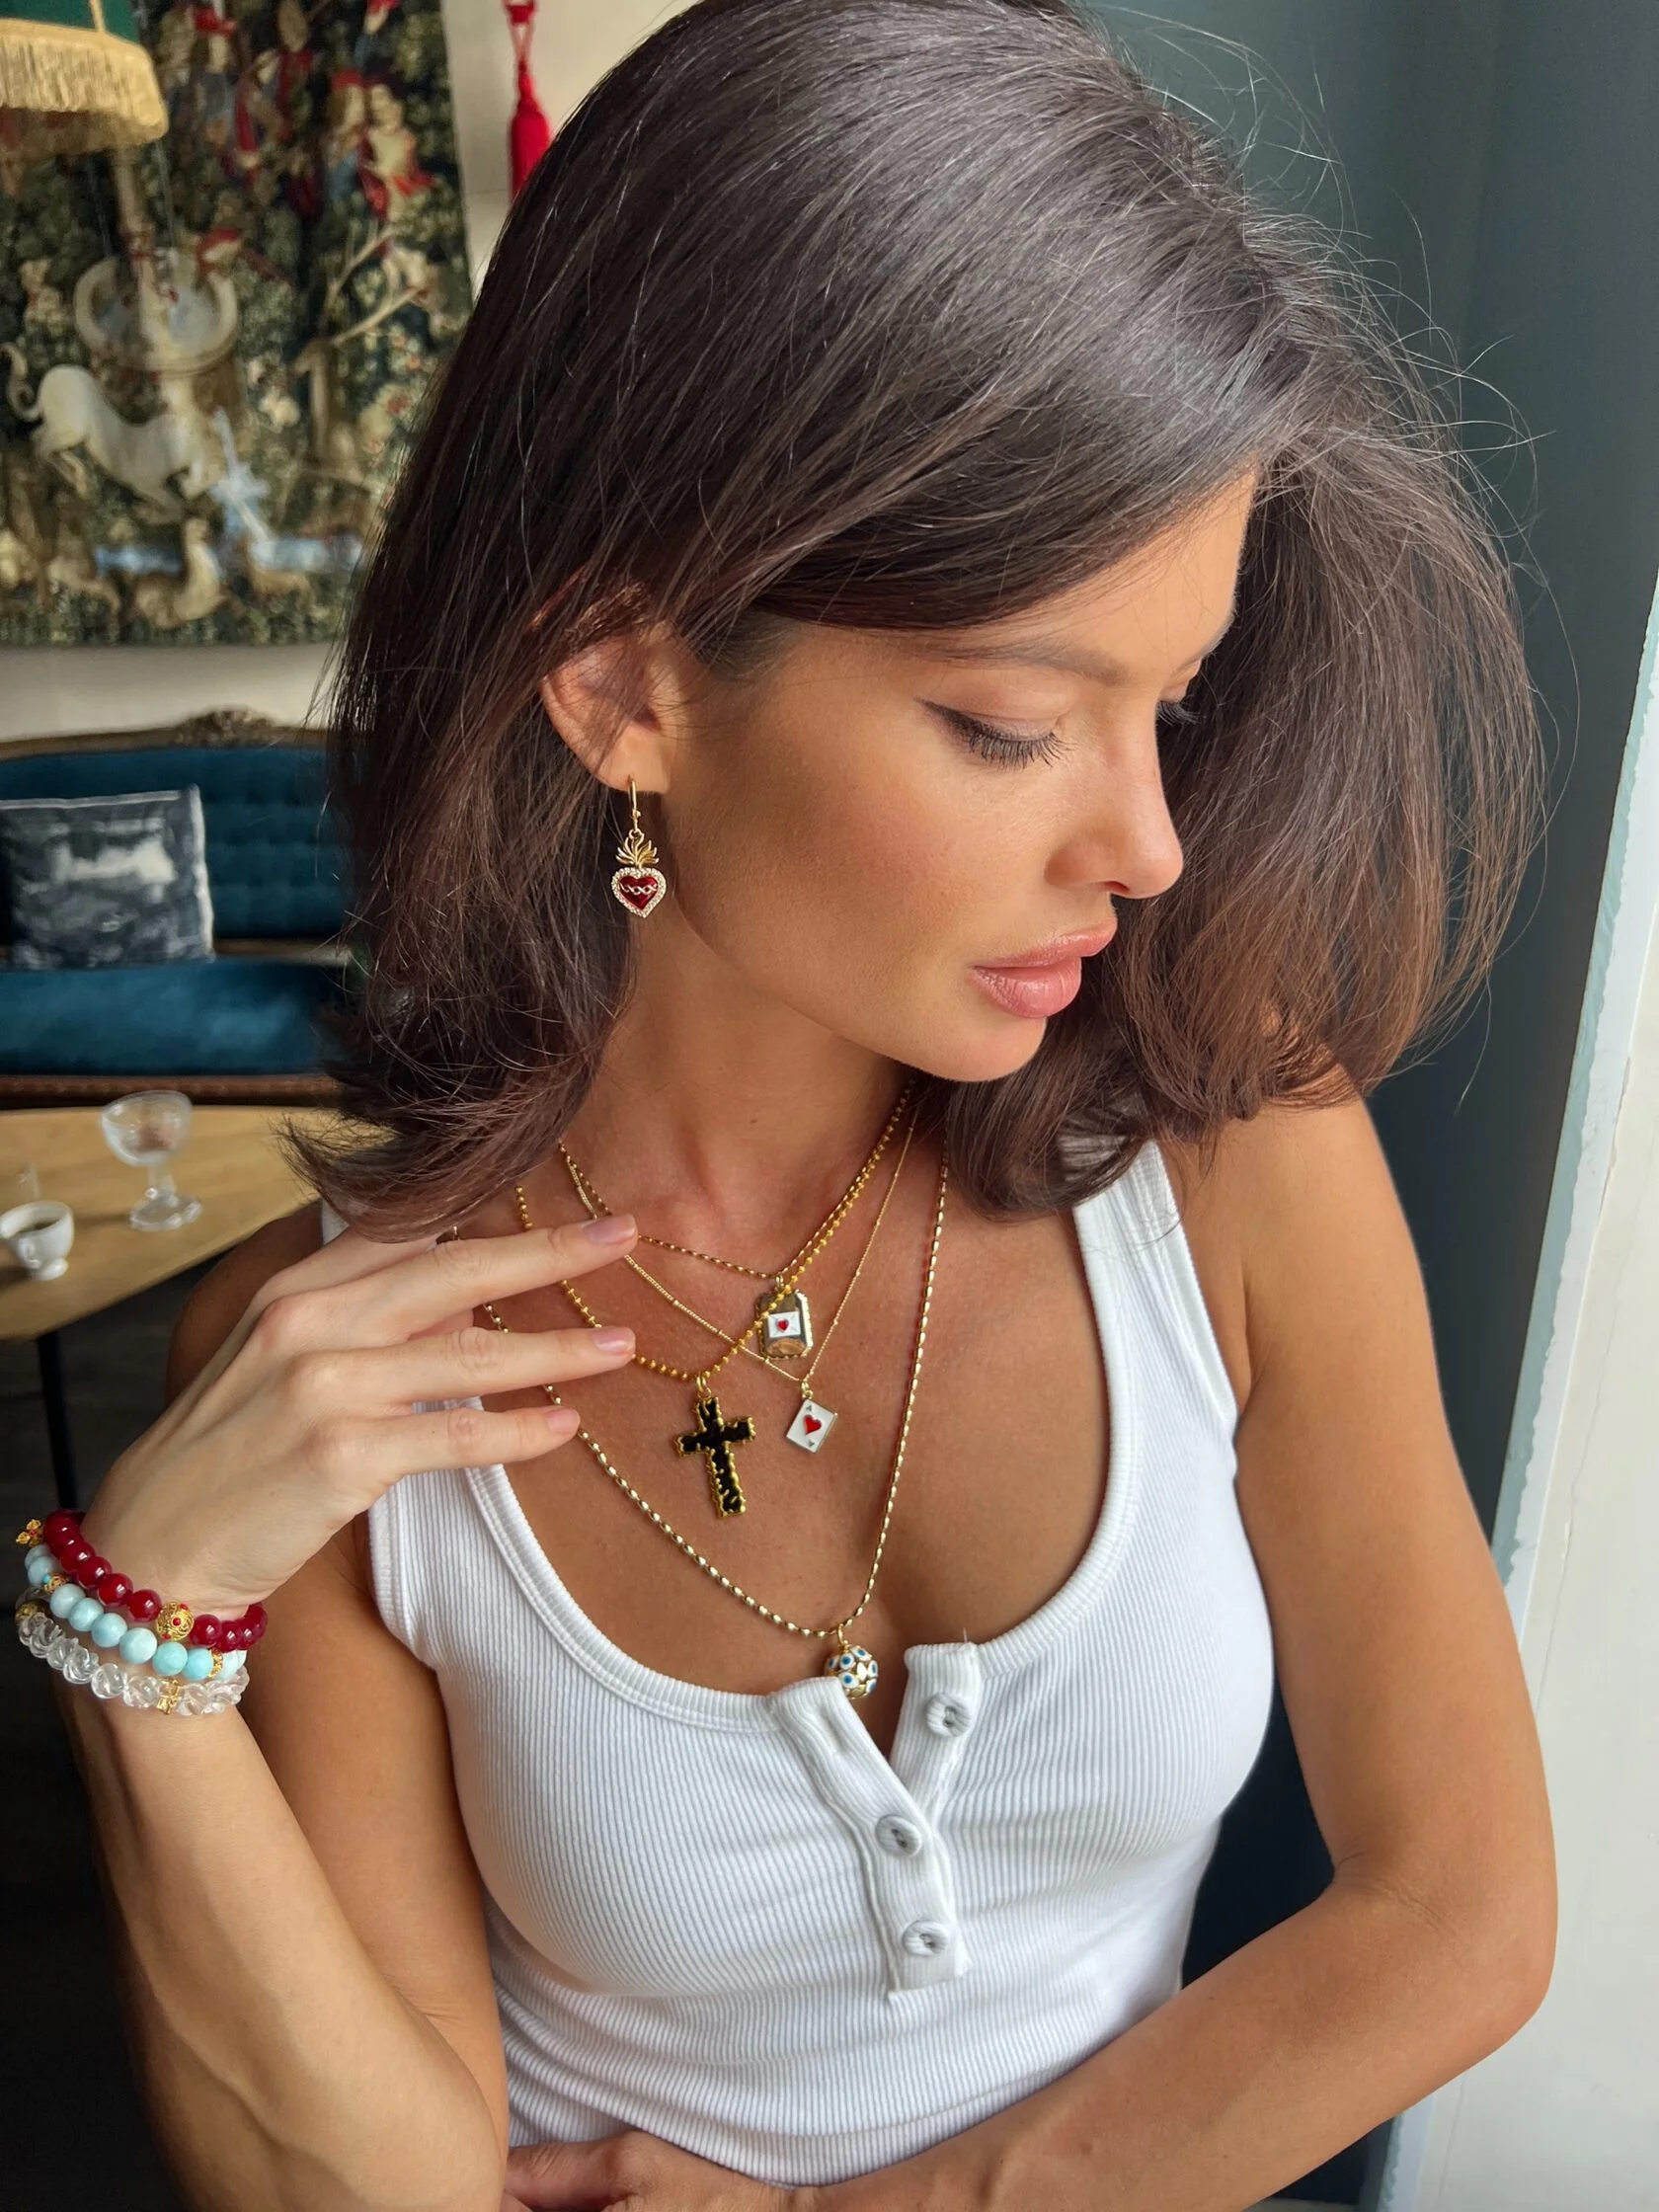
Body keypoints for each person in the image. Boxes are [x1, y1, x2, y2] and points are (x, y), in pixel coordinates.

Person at [24, 4, 1556, 2208]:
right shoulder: (351, 1376)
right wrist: (135, 1639)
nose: (1150, 847)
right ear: (624, 682)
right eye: (1013, 724)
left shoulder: (1229, 1145)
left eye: (1179, 700)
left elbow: (1463, 1912)